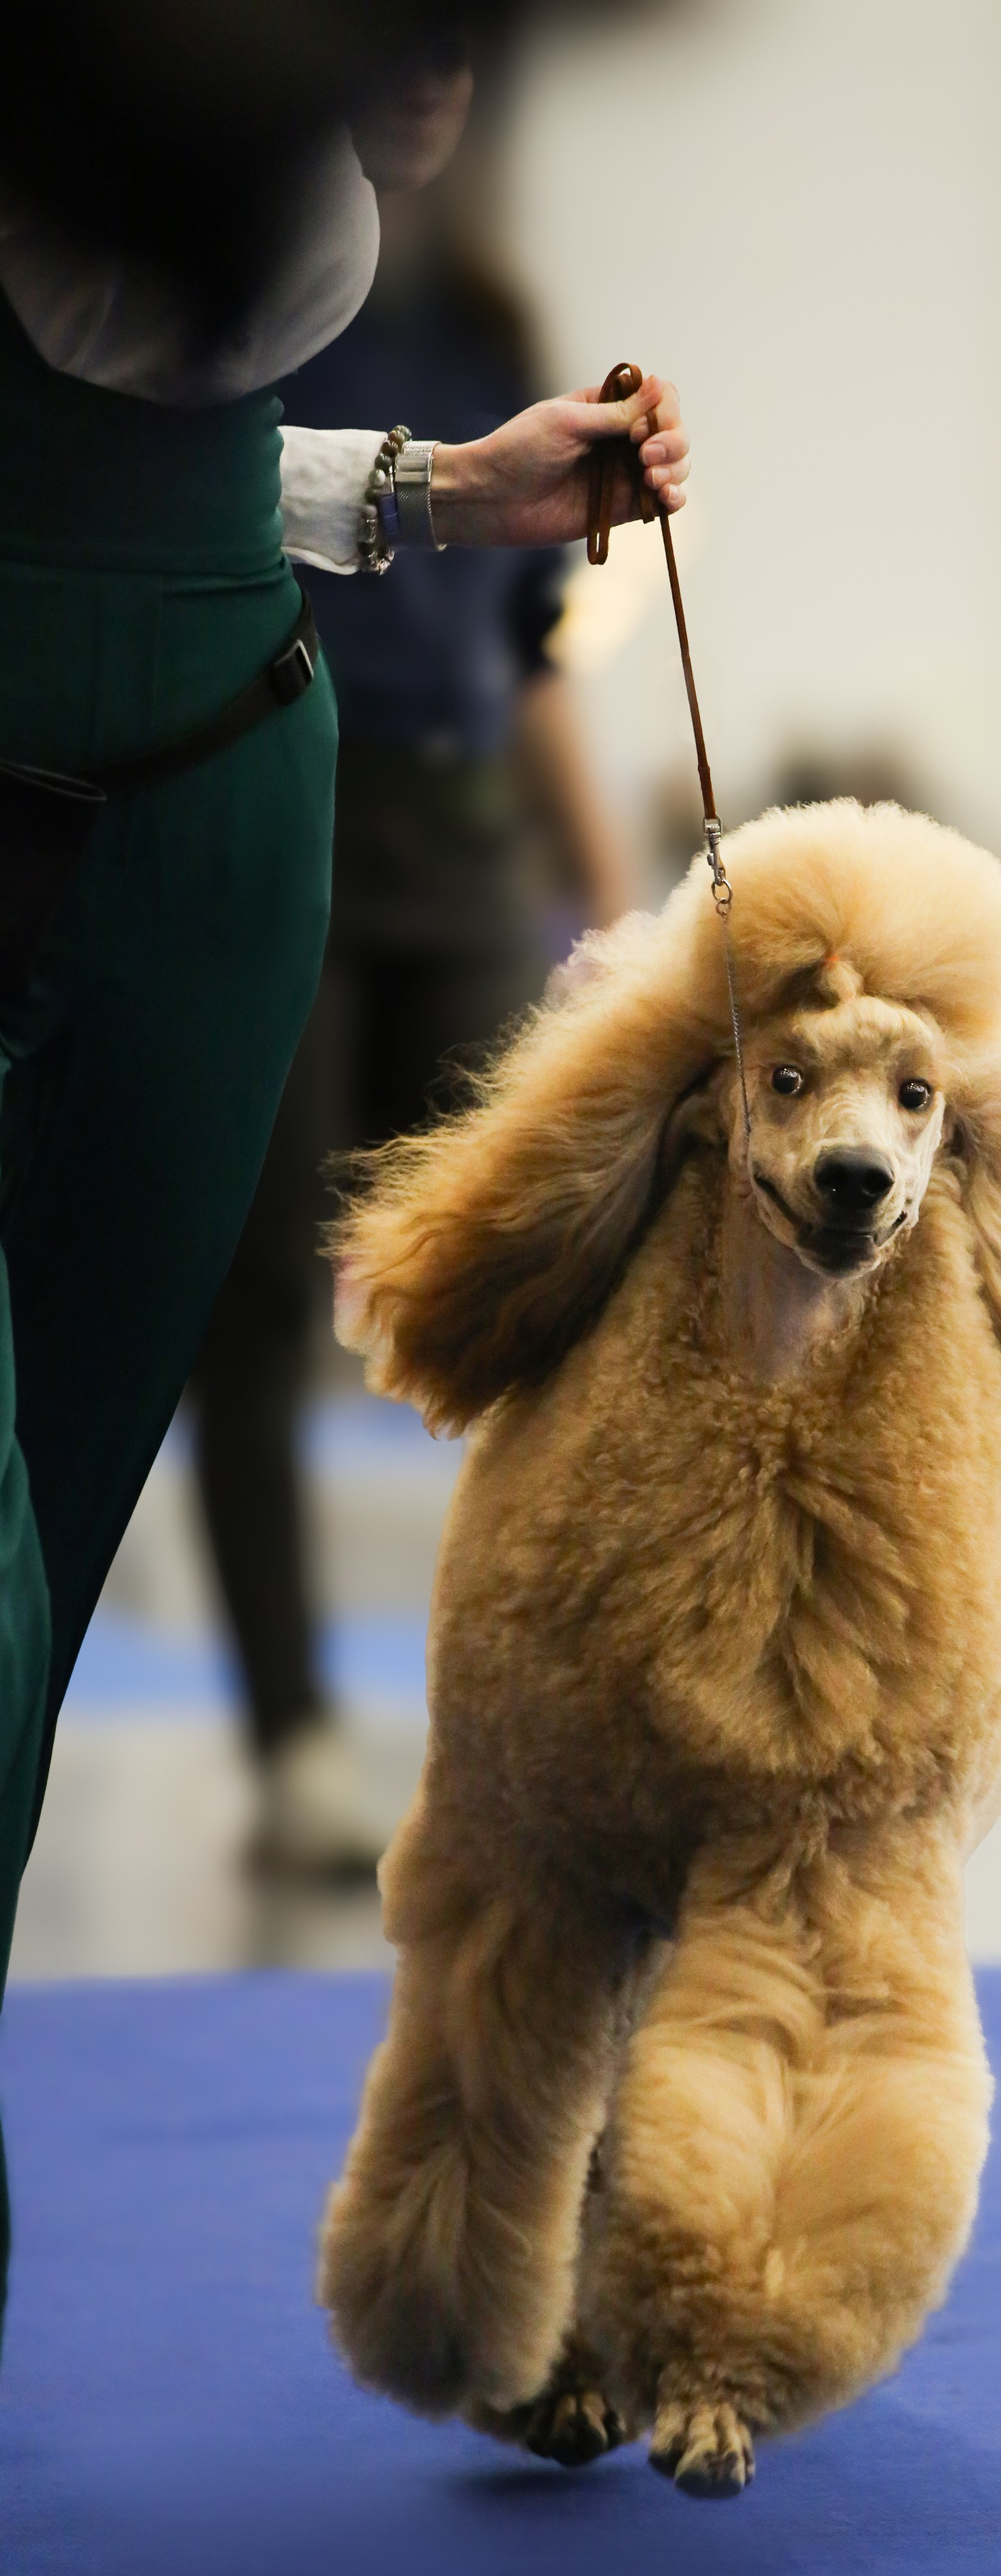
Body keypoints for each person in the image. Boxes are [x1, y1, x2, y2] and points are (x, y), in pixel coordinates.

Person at [0, 46, 690, 2321]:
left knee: (50, 1609)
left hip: (226, 786)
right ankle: (297, 1723)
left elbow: (177, 433)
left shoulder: (388, 233)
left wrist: (438, 491)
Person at [188, 188, 635, 1874]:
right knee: (259, 1300)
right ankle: (295, 1734)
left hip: (460, 849)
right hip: (288, 798)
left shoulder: (491, 328)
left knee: (551, 1279)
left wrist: (619, 897)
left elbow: (529, 662)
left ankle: (560, 1732)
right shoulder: (249, 284)